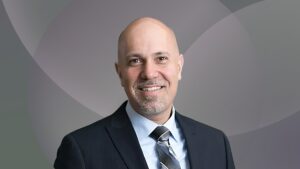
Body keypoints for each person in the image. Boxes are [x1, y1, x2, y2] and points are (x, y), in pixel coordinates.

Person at [54, 17, 235, 169]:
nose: (149, 73)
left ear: (179, 67)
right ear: (120, 73)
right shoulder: (82, 150)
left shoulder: (216, 144)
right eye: (135, 61)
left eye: (161, 59)